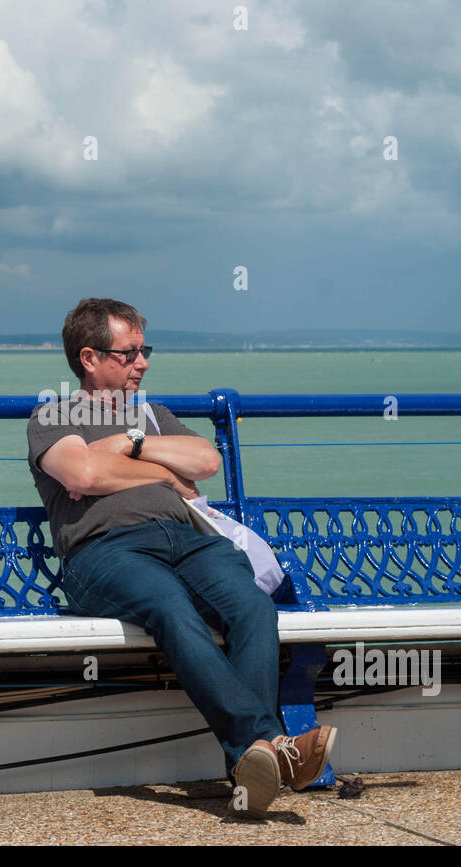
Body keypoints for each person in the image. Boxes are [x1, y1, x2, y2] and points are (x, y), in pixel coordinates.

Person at [26, 297, 336, 818]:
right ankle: (266, 746)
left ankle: (252, 760)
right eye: (128, 353)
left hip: (186, 540)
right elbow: (83, 476)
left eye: (144, 350)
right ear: (88, 357)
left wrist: (131, 443)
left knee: (251, 606)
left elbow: (206, 460)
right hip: (103, 553)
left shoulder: (152, 414)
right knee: (172, 608)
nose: (142, 362)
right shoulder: (53, 415)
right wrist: (167, 475)